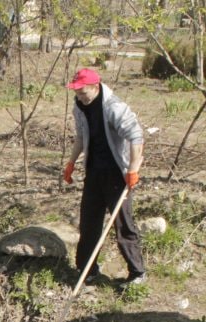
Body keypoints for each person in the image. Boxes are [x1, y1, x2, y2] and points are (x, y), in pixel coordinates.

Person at [63, 68, 147, 287]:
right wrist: (71, 163)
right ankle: (87, 271)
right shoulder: (79, 107)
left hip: (117, 175)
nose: (80, 97)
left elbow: (136, 136)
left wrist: (133, 169)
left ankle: (137, 273)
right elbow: (81, 137)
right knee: (89, 223)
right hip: (93, 172)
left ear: (95, 87)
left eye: (83, 92)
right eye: (77, 92)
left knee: (123, 225)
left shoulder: (114, 107)